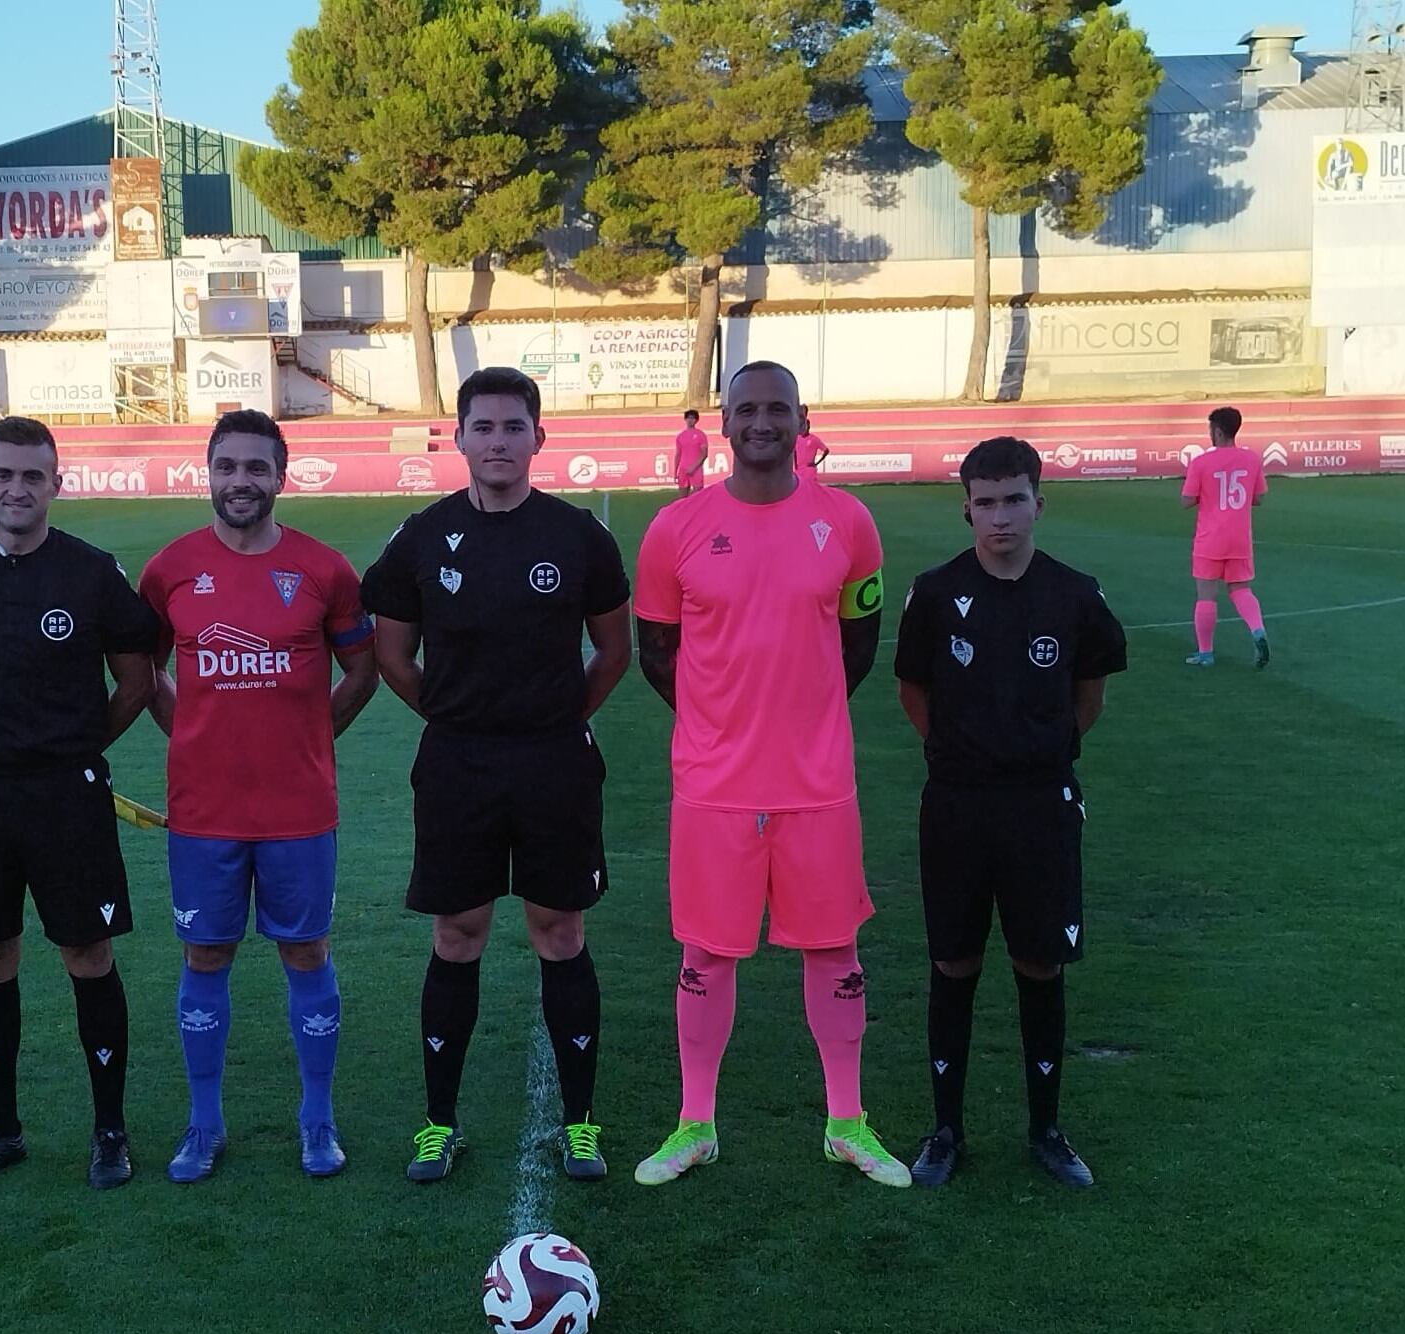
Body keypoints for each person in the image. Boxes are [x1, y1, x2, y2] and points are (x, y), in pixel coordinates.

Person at [631, 360, 909, 1190]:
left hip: (817, 782)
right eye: (746, 409)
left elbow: (861, 636)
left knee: (834, 947)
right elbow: (655, 652)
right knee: (706, 953)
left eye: (776, 409)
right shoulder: (672, 529)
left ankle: (847, 1123)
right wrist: (722, 722)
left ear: (800, 419)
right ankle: (694, 1125)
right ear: (723, 422)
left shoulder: (849, 521)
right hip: (714, 784)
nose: (762, 422)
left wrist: (805, 713)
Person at [361, 366, 632, 1184]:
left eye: (514, 427)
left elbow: (612, 651)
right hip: (457, 762)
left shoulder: (578, 535)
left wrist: (553, 719)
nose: (499, 441)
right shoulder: (421, 535)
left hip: (553, 760)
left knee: (560, 930)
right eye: (483, 427)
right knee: (458, 932)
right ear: (460, 437)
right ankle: (438, 1123)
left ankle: (581, 1122)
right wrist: (454, 716)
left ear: (538, 438)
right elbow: (390, 654)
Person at [0, 415, 161, 1193]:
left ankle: (109, 1130)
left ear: (56, 482)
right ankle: (0, 1131)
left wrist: (76, 747)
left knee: (88, 953)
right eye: (3, 475)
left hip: (67, 797)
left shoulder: (89, 573)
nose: (18, 489)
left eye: (32, 476)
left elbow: (138, 678)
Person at [137, 410, 379, 1183]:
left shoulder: (325, 570)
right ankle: (204, 1125)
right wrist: (191, 734)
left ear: (282, 474)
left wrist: (310, 734)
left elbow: (362, 671)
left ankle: (318, 1119)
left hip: (298, 809)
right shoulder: (169, 569)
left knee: (305, 950)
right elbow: (142, 669)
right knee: (203, 952)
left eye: (255, 467)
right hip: (204, 810)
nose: (240, 480)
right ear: (206, 473)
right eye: (227, 466)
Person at [894, 436, 1127, 1188]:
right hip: (957, 805)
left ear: (1038, 502)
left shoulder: (1074, 594)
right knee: (953, 960)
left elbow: (1086, 693)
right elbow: (913, 692)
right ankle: (944, 1130)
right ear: (966, 507)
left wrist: (1041, 749)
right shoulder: (933, 593)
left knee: (1039, 959)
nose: (1000, 517)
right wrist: (965, 754)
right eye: (985, 502)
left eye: (1014, 499)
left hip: (1041, 804)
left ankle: (1047, 1130)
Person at [1181, 406, 1269, 669]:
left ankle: (1206, 654)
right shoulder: (1251, 459)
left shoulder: (1201, 462)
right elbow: (1259, 497)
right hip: (1240, 538)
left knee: (1206, 595)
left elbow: (1186, 501)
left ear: (1217, 431)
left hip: (1210, 539)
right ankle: (1258, 631)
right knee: (1240, 589)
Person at [674, 409, 709, 497]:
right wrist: (675, 472)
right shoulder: (680, 436)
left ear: (696, 420)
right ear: (685, 420)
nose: (690, 420)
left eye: (692, 418)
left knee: (698, 497)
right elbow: (678, 454)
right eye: (688, 418)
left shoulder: (701, 435)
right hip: (683, 469)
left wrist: (694, 467)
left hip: (696, 470)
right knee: (682, 499)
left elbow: (704, 454)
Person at [794, 414, 832, 483]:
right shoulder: (797, 438)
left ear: (809, 426)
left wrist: (816, 463)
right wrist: (796, 465)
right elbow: (794, 452)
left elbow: (826, 450)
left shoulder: (814, 439)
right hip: (799, 470)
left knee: (810, 488)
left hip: (809, 469)